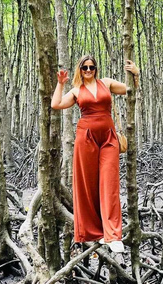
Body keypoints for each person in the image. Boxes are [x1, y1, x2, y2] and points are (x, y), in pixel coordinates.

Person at [51, 55, 140, 253]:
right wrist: (60, 84)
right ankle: (94, 232)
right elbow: (56, 105)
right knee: (88, 185)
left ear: (96, 68)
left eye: (91, 67)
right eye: (85, 68)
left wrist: (136, 74)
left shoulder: (106, 83)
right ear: (80, 70)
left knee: (109, 184)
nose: (89, 70)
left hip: (109, 138)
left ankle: (113, 235)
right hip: (86, 138)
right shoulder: (76, 91)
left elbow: (130, 91)